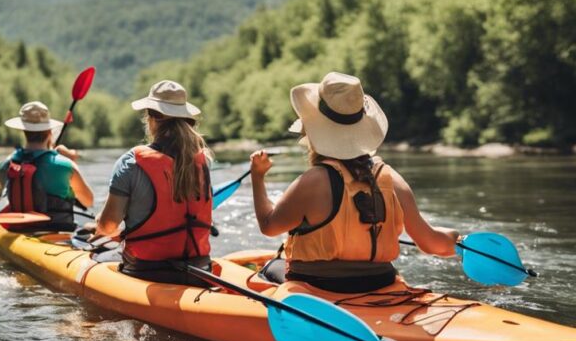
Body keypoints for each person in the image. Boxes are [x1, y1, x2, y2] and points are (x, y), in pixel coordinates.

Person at [250, 72, 459, 293]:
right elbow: (430, 242)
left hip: (318, 286)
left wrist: (258, 176)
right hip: (381, 282)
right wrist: (458, 239)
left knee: (270, 269)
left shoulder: (312, 181)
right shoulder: (391, 178)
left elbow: (269, 226)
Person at [88, 80, 213, 286]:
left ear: (151, 118)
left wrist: (98, 224)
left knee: (95, 255)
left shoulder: (131, 161)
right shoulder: (203, 160)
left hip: (147, 270)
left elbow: (108, 227)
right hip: (199, 268)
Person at [0, 101, 93, 230]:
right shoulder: (65, 165)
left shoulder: (8, 164)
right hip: (60, 231)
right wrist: (72, 164)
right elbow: (88, 201)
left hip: (20, 230)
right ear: (49, 132)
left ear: (23, 130)